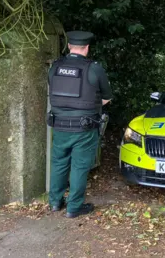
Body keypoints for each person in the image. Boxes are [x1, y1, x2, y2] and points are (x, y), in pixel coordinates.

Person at [47, 31, 113, 218]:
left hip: (59, 125)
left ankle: (54, 202)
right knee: (79, 166)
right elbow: (107, 97)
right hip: (84, 128)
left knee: (59, 163)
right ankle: (73, 207)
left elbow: (54, 92)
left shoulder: (55, 67)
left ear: (69, 46)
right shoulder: (94, 68)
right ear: (87, 48)